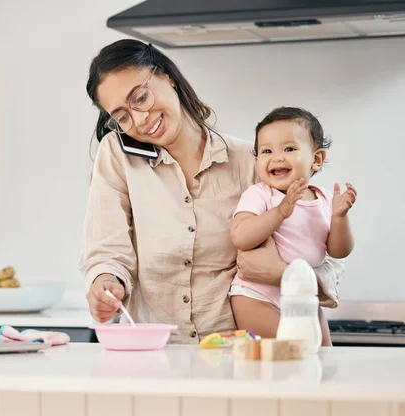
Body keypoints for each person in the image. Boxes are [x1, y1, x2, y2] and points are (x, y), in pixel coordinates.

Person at [79, 39, 345, 344]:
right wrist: (106, 281)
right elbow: (106, 247)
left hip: (238, 358)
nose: (139, 119)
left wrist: (287, 274)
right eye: (122, 117)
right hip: (157, 357)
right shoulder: (118, 156)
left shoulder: (252, 161)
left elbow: (321, 246)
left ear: (167, 78)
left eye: (140, 97)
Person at [229, 107, 357, 345]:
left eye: (289, 149)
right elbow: (240, 237)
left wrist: (339, 217)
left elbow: (339, 251)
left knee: (322, 355)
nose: (277, 157)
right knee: (285, 356)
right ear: (257, 160)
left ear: (316, 159)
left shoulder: (325, 198)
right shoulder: (259, 195)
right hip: (258, 296)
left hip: (304, 298)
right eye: (266, 151)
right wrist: (280, 212)